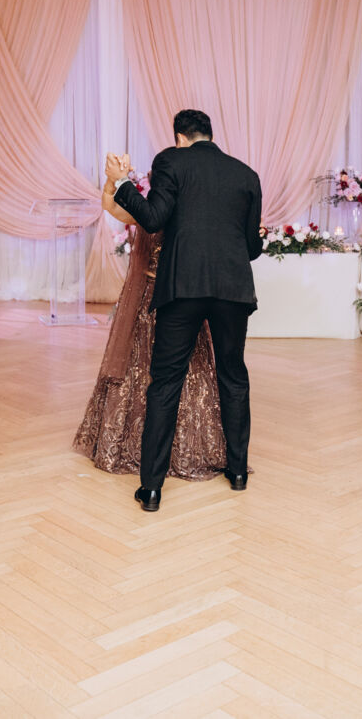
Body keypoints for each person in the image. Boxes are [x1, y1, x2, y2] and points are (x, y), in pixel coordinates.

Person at [108, 109, 262, 512]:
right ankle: (238, 471)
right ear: (210, 134)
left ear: (179, 137)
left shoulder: (171, 161)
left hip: (183, 287)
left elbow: (153, 219)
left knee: (165, 383)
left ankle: (152, 488)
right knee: (234, 376)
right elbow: (252, 247)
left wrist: (122, 183)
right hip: (233, 289)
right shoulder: (246, 174)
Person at [74, 175, 228, 483]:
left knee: (181, 370)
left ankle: (179, 448)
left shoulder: (187, 212)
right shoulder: (150, 211)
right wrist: (112, 179)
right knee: (144, 366)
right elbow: (110, 206)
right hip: (154, 301)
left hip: (177, 301)